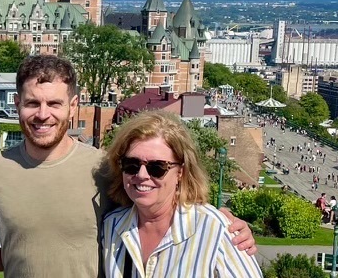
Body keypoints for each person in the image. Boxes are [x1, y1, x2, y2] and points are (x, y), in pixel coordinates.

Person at [0, 55, 256, 277]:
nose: (43, 114)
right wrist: (13, 259)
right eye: (32, 103)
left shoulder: (104, 168)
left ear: (73, 105)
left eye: (54, 104)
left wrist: (225, 223)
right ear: (17, 104)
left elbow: (160, 201)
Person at [102, 111, 262, 277]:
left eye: (157, 167)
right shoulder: (112, 227)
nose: (142, 175)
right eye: (131, 165)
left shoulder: (214, 231)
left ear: (181, 172)